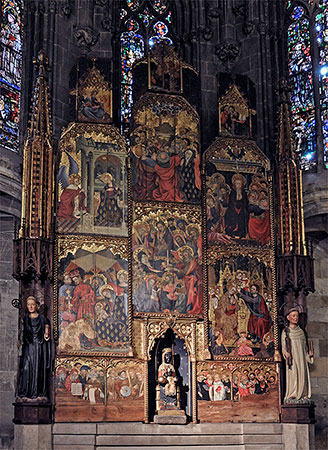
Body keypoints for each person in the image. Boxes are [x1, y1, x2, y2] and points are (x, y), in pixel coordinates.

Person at [17, 296, 50, 401]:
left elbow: (46, 328)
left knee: (38, 369)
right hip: (28, 346)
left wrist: (46, 334)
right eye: (28, 304)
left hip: (38, 347)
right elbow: (22, 333)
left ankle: (38, 393)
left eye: (32, 304)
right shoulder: (25, 318)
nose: (31, 306)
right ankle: (25, 393)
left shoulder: (42, 318)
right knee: (26, 368)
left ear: (37, 305)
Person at [281, 308, 314, 403]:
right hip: (293, 358)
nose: (296, 318)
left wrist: (309, 355)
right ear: (288, 317)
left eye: (297, 316)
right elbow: (283, 346)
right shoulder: (286, 331)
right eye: (293, 316)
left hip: (301, 359)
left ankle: (303, 394)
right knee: (294, 374)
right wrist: (286, 353)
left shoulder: (301, 332)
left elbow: (304, 349)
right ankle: (293, 394)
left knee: (302, 374)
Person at [225, 173, 248, 238]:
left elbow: (245, 203)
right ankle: (231, 233)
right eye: (237, 184)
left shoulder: (244, 193)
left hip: (241, 211)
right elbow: (230, 202)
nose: (238, 186)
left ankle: (241, 234)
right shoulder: (232, 193)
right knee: (232, 220)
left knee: (241, 221)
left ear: (242, 185)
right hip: (233, 210)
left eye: (239, 184)